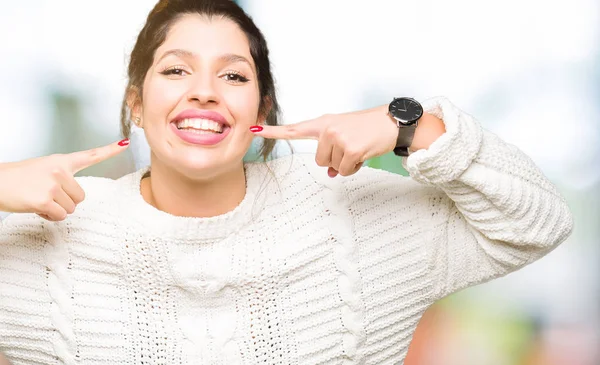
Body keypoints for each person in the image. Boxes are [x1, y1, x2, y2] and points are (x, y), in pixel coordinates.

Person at [0, 0, 573, 364]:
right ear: (137, 104)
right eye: (176, 70)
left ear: (262, 108)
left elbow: (538, 221)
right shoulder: (42, 235)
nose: (203, 90)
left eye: (233, 74)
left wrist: (412, 126)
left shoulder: (352, 216)